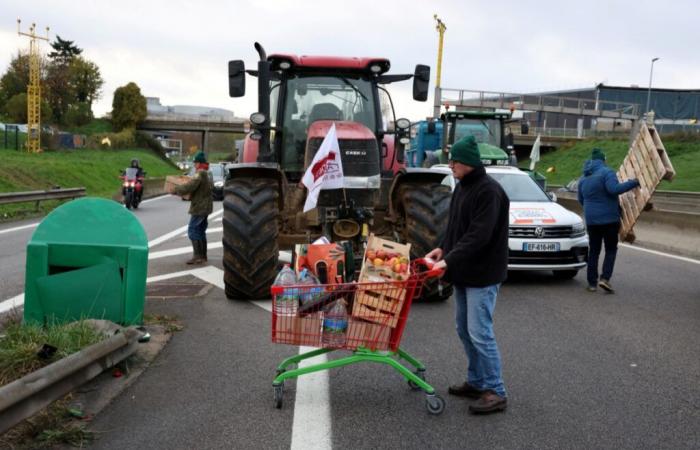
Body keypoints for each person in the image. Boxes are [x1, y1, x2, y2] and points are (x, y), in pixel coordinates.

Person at [426, 135, 510, 414]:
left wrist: (448, 261)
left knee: (480, 332)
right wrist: (442, 249)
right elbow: (458, 228)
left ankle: (496, 390)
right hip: (464, 271)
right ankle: (477, 381)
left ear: (469, 163)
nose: (450, 164)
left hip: (483, 274)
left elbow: (478, 236)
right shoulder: (463, 187)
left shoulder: (489, 192)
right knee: (465, 330)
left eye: (455, 161)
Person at [577, 148, 639, 293]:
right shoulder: (607, 172)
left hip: (592, 221)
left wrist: (592, 210)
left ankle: (592, 284)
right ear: (603, 160)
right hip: (609, 219)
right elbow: (614, 189)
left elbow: (581, 199)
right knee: (610, 249)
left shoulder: (583, 178)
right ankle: (605, 279)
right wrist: (633, 183)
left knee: (594, 251)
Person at [173, 151, 213, 265]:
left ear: (199, 163)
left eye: (195, 162)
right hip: (205, 207)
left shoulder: (200, 174)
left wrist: (176, 190)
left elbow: (190, 186)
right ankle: (203, 255)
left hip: (199, 207)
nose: (194, 164)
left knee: (193, 230)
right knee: (200, 231)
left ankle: (197, 256)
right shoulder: (208, 173)